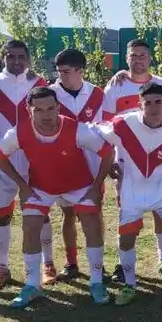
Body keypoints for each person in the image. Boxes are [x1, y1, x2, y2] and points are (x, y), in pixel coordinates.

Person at [0, 86, 114, 307]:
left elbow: (108, 152)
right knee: (29, 226)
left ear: (58, 107)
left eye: (50, 109)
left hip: (79, 186)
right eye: (38, 110)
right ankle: (32, 285)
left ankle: (96, 282)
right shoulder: (19, 132)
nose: (46, 115)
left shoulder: (77, 129)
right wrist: (22, 185)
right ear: (29, 111)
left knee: (91, 223)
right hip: (41, 188)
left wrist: (96, 186)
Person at [93, 83, 162, 306]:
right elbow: (98, 131)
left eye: (159, 102)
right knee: (126, 239)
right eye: (148, 103)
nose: (154, 107)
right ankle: (130, 285)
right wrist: (114, 162)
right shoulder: (124, 124)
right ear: (140, 104)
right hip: (132, 193)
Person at [102, 38, 162, 280]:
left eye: (142, 55)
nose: (138, 60)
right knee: (127, 211)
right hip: (128, 162)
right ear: (126, 58)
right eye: (133, 55)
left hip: (160, 160)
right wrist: (110, 160)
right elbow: (106, 124)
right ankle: (122, 264)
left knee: (161, 210)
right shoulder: (114, 87)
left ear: (150, 59)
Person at [0, 40, 54, 290]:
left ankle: (48, 263)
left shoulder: (39, 83)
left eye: (21, 56)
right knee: (3, 214)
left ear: (29, 59)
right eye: (10, 56)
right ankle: (2, 267)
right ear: (2, 57)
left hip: (34, 157)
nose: (16, 61)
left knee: (40, 212)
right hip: (1, 158)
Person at [49, 49, 107, 281]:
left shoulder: (97, 93)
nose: (60, 76)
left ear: (80, 71)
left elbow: (105, 126)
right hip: (62, 164)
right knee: (69, 213)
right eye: (59, 71)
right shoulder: (49, 94)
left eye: (65, 72)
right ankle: (71, 263)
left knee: (95, 214)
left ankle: (98, 265)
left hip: (92, 164)